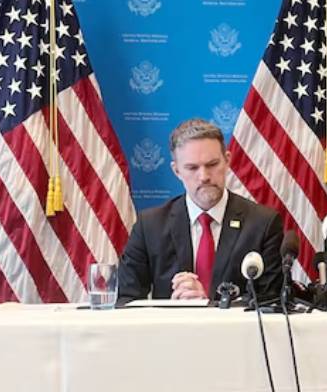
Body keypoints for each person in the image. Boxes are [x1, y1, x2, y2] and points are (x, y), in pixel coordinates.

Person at [117, 118, 283, 304]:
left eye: (212, 164)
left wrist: (209, 302)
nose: (203, 176)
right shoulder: (150, 226)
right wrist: (167, 310)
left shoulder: (263, 224)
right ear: (177, 171)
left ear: (227, 161)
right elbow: (126, 300)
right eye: (192, 168)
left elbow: (271, 303)